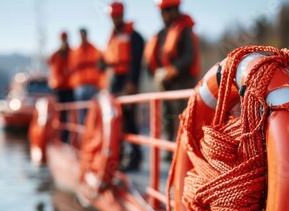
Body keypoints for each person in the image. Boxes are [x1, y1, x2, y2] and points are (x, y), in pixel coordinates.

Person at [145, 0, 200, 158]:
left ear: (174, 11)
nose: (162, 16)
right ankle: (170, 152)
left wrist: (171, 71)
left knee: (185, 117)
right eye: (161, 12)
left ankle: (187, 153)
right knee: (167, 117)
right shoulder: (162, 33)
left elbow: (189, 56)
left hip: (183, 83)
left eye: (164, 12)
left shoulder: (184, 30)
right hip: (167, 85)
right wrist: (158, 73)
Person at [102, 2, 144, 171]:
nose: (115, 20)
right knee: (118, 122)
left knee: (130, 121)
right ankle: (120, 156)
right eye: (113, 17)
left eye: (117, 16)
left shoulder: (134, 36)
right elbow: (108, 60)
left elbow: (136, 62)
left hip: (128, 81)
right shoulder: (113, 36)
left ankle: (135, 157)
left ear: (122, 15)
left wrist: (132, 83)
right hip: (116, 82)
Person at [70, 28, 103, 125]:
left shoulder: (94, 49)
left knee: (92, 113)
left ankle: (91, 133)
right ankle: (83, 135)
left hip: (93, 85)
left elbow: (101, 64)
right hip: (80, 86)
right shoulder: (75, 52)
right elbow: (71, 68)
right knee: (81, 113)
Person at [48, 31, 74, 142]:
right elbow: (49, 62)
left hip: (70, 86)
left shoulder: (72, 53)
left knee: (70, 112)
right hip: (59, 87)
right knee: (61, 113)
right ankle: (61, 137)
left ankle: (69, 137)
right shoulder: (55, 55)